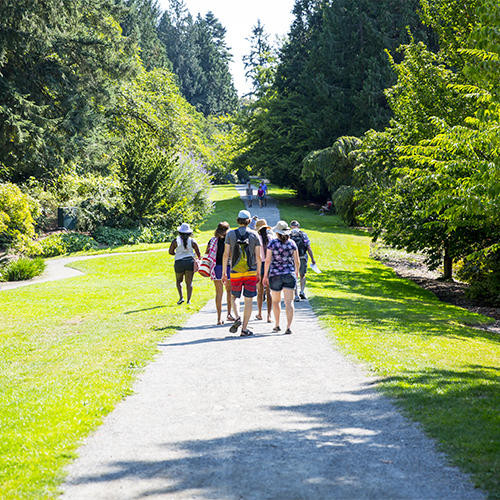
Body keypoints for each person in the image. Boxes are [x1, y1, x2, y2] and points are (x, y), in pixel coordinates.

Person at [222, 210, 261, 337]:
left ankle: (237, 317)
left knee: (235, 297)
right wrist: (259, 273)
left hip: (235, 271)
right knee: (248, 300)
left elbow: (226, 254)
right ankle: (244, 329)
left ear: (237, 220)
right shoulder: (255, 235)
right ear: (249, 221)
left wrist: (224, 272)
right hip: (251, 271)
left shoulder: (230, 234)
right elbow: (258, 257)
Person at [263, 220, 300, 335]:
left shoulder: (272, 244)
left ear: (277, 232)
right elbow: (297, 261)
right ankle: (289, 326)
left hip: (275, 275)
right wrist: (296, 272)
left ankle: (277, 324)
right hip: (289, 274)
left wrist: (265, 275)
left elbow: (268, 260)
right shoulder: (292, 243)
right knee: (289, 302)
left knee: (276, 301)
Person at [205, 222, 235, 325]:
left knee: (218, 293)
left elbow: (208, 253)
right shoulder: (230, 240)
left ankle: (219, 318)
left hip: (216, 268)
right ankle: (229, 314)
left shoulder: (212, 240)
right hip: (228, 267)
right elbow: (232, 255)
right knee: (229, 291)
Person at [168, 223, 201, 305]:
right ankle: (188, 300)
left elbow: (170, 252)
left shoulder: (175, 241)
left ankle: (181, 297)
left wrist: (177, 253)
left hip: (179, 262)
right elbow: (198, 253)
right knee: (189, 282)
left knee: (179, 280)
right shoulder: (192, 241)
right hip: (189, 262)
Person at [290, 220, 316, 301]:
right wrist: (312, 259)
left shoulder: (289, 234)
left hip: (292, 258)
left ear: (291, 226)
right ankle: (302, 291)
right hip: (302, 256)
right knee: (302, 275)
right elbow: (308, 247)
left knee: (294, 275)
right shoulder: (303, 234)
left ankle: (296, 295)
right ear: (298, 226)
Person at [255, 219, 274, 323]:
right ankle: (269, 315)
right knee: (269, 291)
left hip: (259, 264)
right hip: (269, 264)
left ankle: (259, 313)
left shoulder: (256, 238)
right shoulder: (271, 238)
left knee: (260, 291)